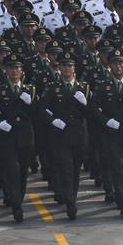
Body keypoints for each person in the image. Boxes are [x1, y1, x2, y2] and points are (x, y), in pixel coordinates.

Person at [89, 49, 123, 217]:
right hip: (110, 131)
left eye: (122, 63)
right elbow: (94, 107)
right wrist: (106, 121)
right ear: (110, 66)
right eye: (116, 63)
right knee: (116, 167)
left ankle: (121, 192)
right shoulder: (103, 85)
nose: (119, 66)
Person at [40, 51, 89, 219]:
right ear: (59, 68)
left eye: (70, 65)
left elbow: (92, 113)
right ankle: (70, 202)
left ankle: (72, 196)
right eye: (64, 65)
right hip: (60, 135)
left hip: (78, 134)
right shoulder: (53, 88)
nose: (67, 69)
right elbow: (42, 108)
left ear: (74, 68)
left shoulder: (83, 87)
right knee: (66, 169)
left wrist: (85, 103)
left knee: (75, 169)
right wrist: (53, 120)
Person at [0, 53, 36, 222]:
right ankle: (16, 205)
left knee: (23, 171)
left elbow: (37, 115)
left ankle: (18, 198)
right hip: (7, 137)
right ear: (6, 70)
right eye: (11, 67)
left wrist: (30, 104)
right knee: (12, 170)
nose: (14, 71)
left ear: (22, 70)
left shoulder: (29, 90)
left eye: (17, 67)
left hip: (24, 136)